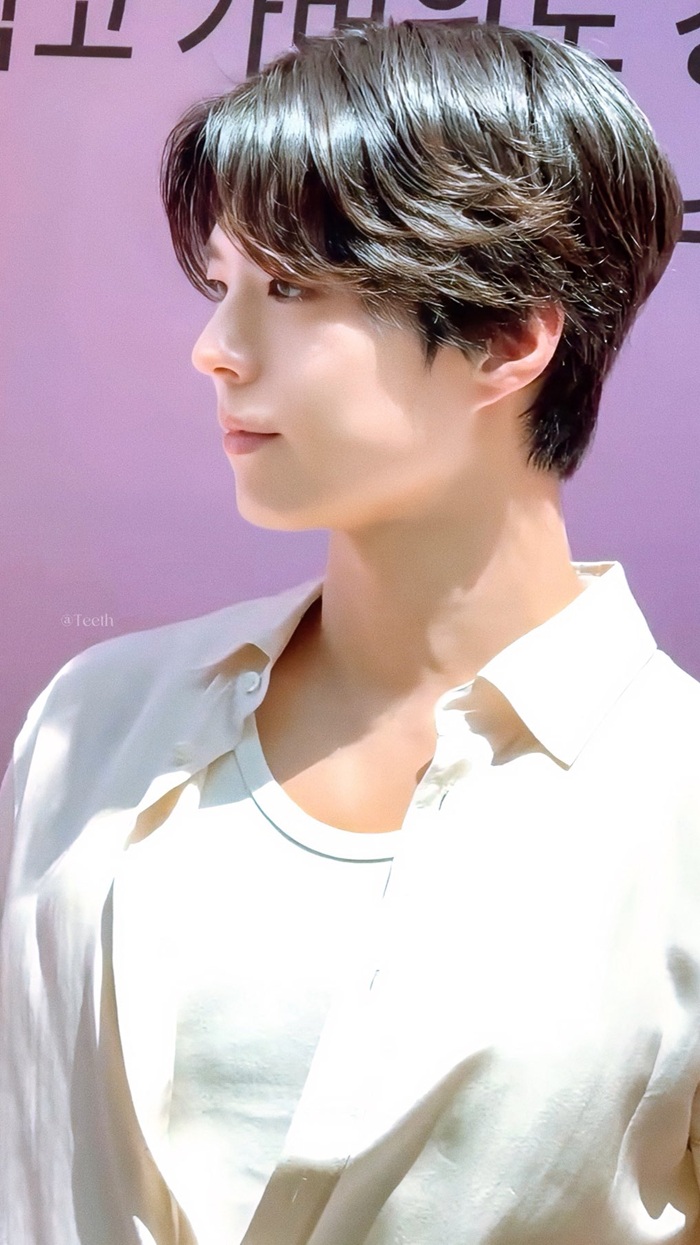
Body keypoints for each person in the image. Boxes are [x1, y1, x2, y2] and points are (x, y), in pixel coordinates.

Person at [1, 15, 697, 1245]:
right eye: (222, 286)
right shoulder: (92, 719)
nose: (216, 352)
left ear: (506, 336)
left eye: (288, 289)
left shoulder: (677, 802)